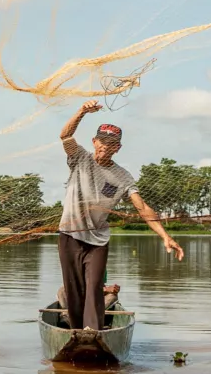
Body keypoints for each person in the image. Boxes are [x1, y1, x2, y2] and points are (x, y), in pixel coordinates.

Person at [58, 99, 184, 331]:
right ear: (94, 142)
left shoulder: (123, 177)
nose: (105, 147)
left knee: (94, 286)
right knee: (74, 289)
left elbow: (142, 207)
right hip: (69, 235)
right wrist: (82, 111)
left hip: (97, 241)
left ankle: (93, 332)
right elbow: (65, 135)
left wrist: (165, 236)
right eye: (102, 142)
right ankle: (75, 332)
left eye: (111, 144)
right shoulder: (80, 158)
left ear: (118, 148)